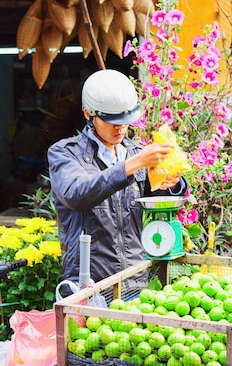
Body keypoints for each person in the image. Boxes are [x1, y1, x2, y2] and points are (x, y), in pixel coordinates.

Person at [47, 68, 188, 291]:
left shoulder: (136, 153)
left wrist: (171, 183)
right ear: (88, 114)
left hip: (135, 280)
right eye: (111, 120)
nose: (120, 127)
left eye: (126, 120)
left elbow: (155, 199)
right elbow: (76, 195)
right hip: (88, 285)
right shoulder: (65, 153)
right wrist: (134, 164)